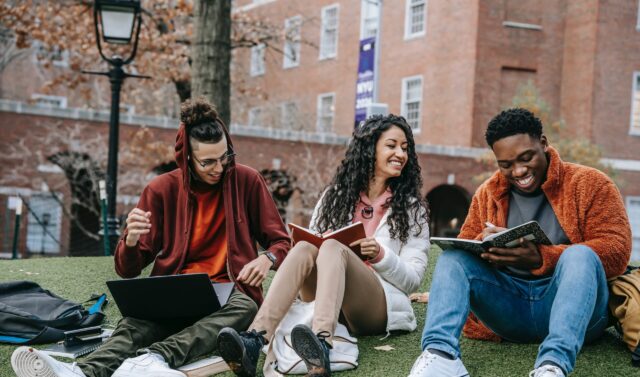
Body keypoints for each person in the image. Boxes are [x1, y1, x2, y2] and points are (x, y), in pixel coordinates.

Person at [11, 98, 291, 377]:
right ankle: (79, 372)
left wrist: (267, 258)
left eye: (224, 157)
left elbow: (282, 243)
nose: (219, 168)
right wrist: (130, 241)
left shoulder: (247, 181)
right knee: (134, 325)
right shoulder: (160, 190)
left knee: (246, 306)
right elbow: (128, 269)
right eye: (208, 162)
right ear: (187, 157)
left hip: (229, 295)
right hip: (174, 293)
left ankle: (154, 359)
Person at [408, 108, 632, 377]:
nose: (519, 170)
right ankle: (441, 355)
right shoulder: (488, 192)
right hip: (509, 311)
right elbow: (467, 247)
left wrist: (542, 258)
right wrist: (486, 243)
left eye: (526, 158)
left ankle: (552, 366)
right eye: (506, 164)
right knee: (453, 258)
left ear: (544, 143)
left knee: (580, 256)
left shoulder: (591, 184)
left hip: (575, 312)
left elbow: (617, 250)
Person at [216, 114, 430, 377]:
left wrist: (381, 255)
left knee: (332, 248)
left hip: (374, 307)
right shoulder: (335, 195)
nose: (400, 153)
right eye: (392, 145)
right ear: (370, 149)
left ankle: (321, 344)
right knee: (306, 247)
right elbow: (312, 245)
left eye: (405, 148)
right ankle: (254, 340)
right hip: (326, 299)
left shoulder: (411, 208)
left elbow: (413, 279)